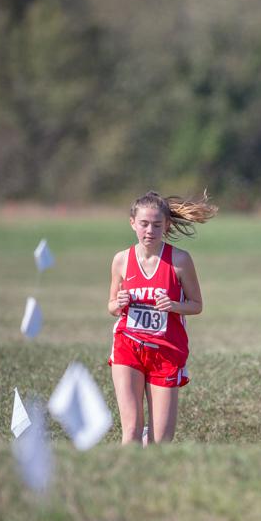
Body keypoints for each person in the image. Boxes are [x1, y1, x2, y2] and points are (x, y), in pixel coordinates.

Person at [107, 190, 217, 445]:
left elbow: (197, 305)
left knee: (161, 442)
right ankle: (126, 481)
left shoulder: (180, 260)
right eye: (144, 224)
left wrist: (174, 305)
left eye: (157, 225)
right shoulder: (121, 260)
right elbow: (112, 306)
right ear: (132, 223)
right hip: (129, 345)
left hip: (166, 351)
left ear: (166, 225)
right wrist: (118, 303)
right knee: (131, 430)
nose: (150, 231)